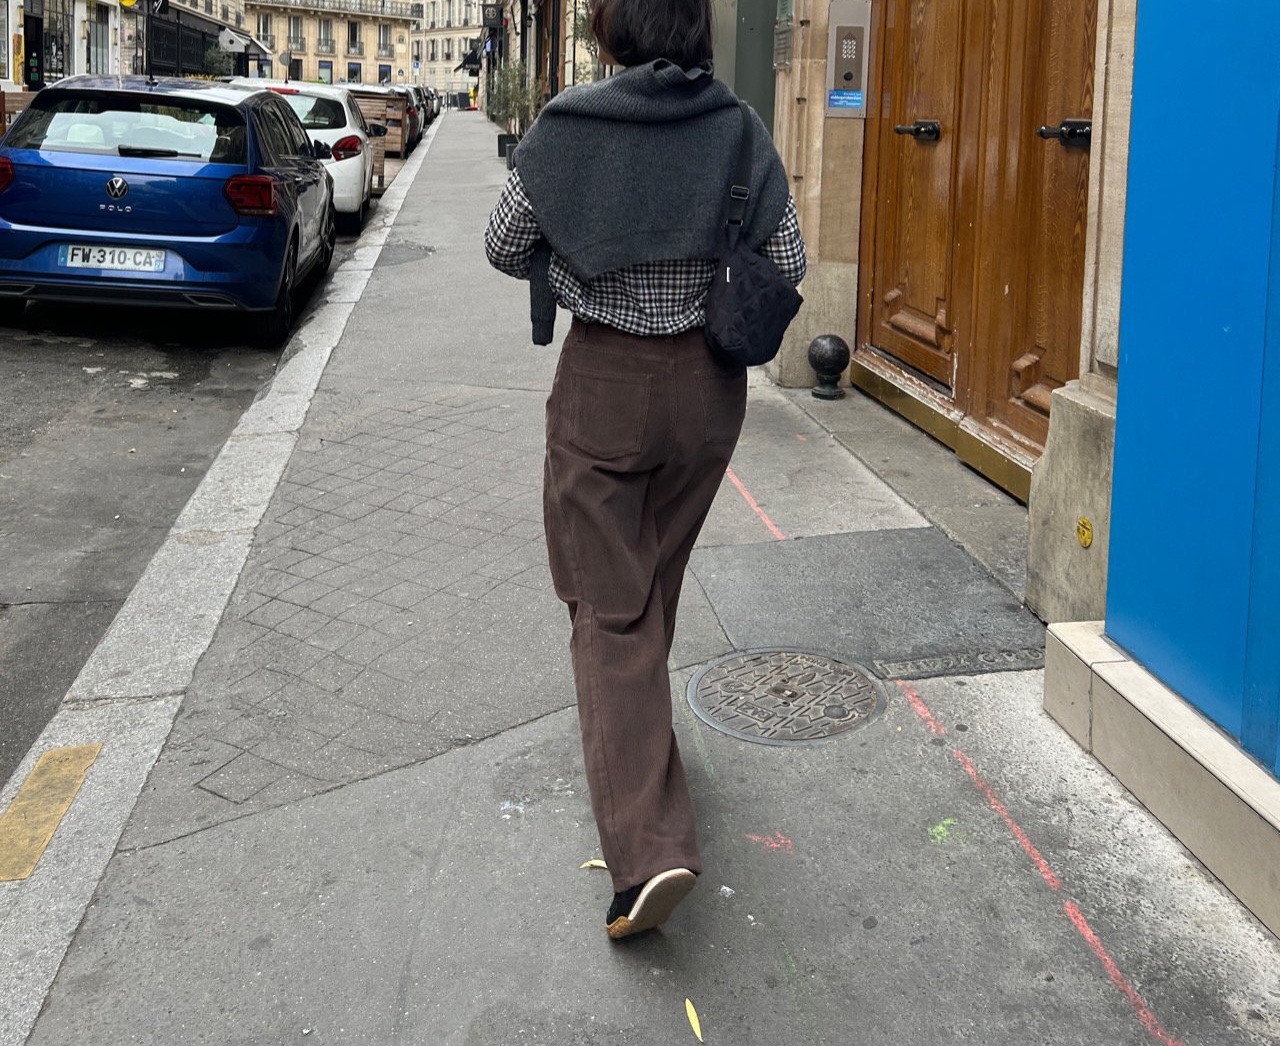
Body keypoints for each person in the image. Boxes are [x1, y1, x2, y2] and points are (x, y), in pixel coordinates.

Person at [484, 0, 806, 940]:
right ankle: (645, 751)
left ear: (611, 31)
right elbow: (787, 259)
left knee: (608, 604)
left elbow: (503, 245)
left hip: (607, 386)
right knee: (653, 573)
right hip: (709, 392)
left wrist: (581, 270)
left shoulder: (571, 126)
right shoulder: (739, 129)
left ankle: (649, 852)